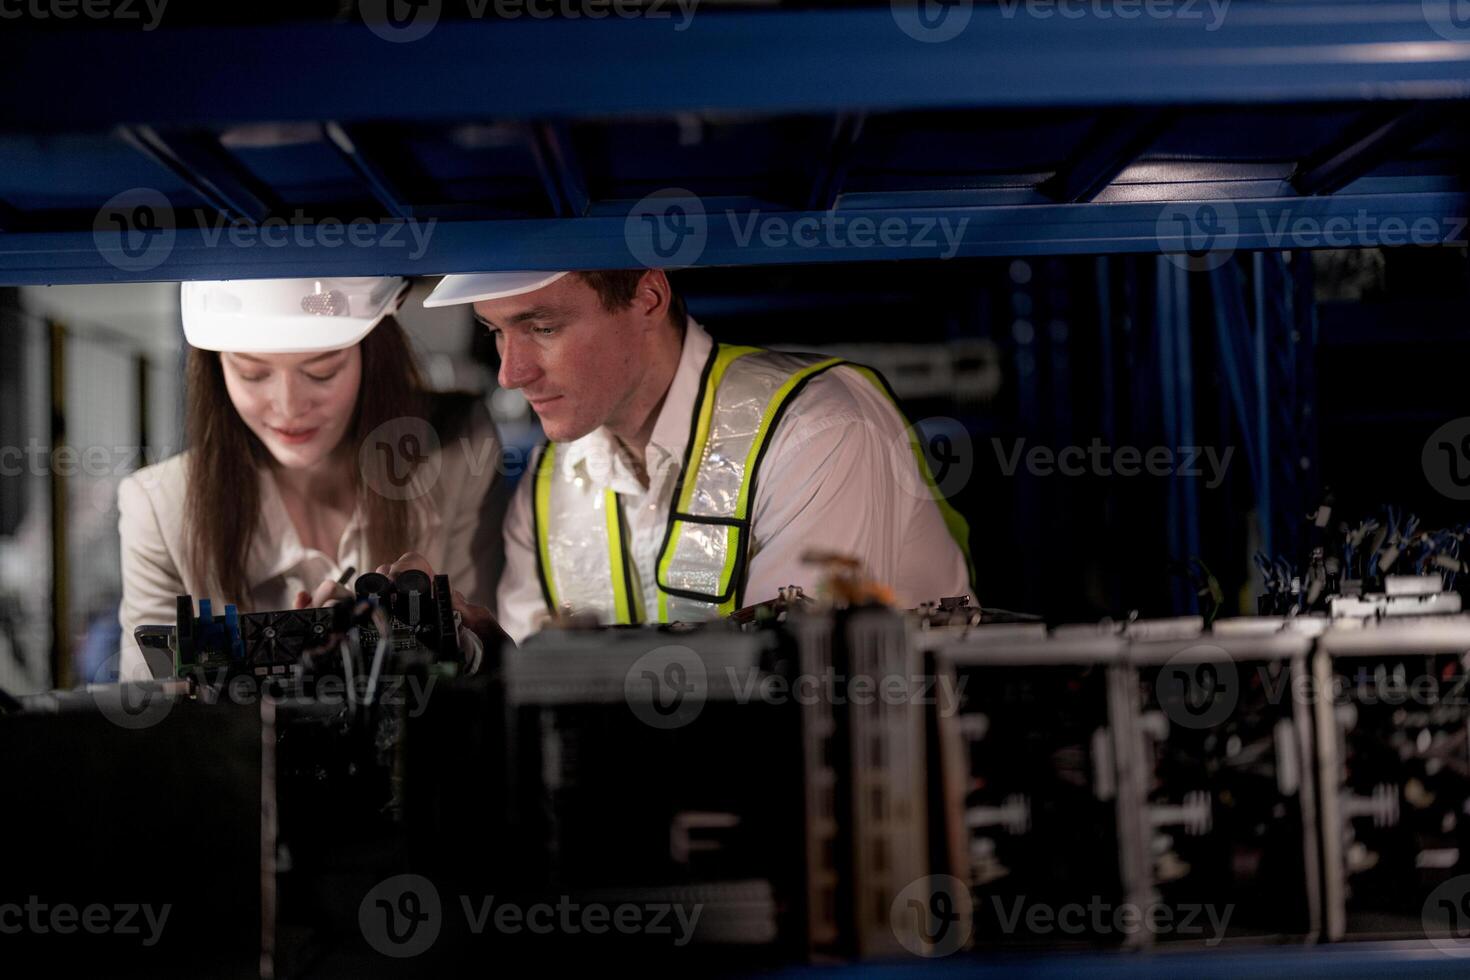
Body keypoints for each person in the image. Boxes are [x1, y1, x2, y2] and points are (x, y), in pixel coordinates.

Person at [418, 268, 973, 645]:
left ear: (648, 298)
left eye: (542, 327)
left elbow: (795, 692)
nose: (511, 374)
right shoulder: (549, 480)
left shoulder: (817, 432)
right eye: (495, 331)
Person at [116, 276, 501, 680]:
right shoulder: (159, 508)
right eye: (252, 374)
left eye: (321, 372)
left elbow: (495, 670)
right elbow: (155, 714)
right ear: (213, 367)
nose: (289, 406)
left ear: (372, 353)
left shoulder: (458, 451)